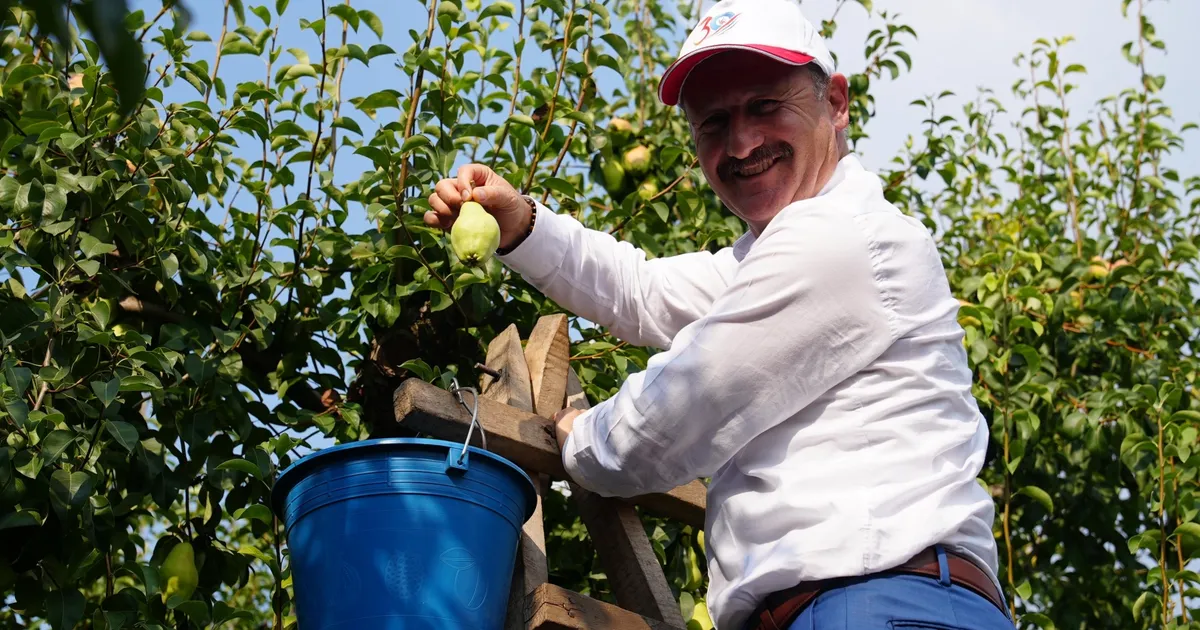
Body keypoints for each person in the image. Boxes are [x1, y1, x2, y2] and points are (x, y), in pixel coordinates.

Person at [426, 0, 1017, 627]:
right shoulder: (778, 256)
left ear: (836, 103)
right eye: (713, 123)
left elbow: (673, 415)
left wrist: (580, 436)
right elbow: (642, 291)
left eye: (766, 106)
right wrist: (522, 223)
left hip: (874, 602)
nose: (741, 142)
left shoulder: (840, 241)